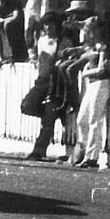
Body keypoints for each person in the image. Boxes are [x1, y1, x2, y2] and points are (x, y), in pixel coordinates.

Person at [27, 11, 74, 161]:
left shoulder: (64, 41)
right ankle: (54, 114)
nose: (48, 27)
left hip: (56, 81)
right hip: (41, 80)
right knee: (26, 105)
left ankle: (38, 151)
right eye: (46, 24)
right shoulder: (41, 39)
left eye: (51, 24)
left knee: (48, 118)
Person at [71, 16, 110, 168]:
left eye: (90, 29)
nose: (88, 32)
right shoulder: (93, 46)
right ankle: (83, 151)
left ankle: (92, 157)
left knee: (94, 120)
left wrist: (86, 73)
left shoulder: (103, 47)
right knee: (81, 119)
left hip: (101, 84)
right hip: (91, 85)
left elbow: (102, 69)